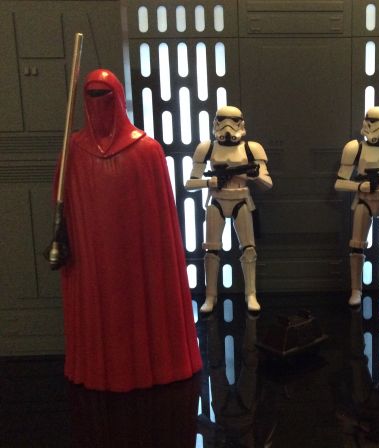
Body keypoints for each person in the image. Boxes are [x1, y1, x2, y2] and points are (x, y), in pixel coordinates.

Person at [56, 69, 202, 392]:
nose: (98, 103)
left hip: (137, 254)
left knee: (140, 307)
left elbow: (160, 220)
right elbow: (65, 204)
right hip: (92, 252)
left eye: (104, 96)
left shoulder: (146, 150)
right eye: (92, 95)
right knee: (100, 307)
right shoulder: (74, 150)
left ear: (119, 98)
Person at [186, 106, 272, 313]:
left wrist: (251, 176)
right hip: (216, 200)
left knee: (249, 249)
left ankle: (250, 294)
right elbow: (190, 183)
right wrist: (210, 182)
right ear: (215, 122)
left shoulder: (252, 148)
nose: (227, 126)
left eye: (233, 121)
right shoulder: (207, 148)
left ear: (241, 123)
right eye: (222, 120)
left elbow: (267, 183)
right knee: (211, 250)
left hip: (241, 200)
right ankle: (210, 295)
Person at [335, 107, 379, 305]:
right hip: (364, 199)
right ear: (367, 123)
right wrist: (360, 186)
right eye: (375, 123)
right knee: (357, 246)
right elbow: (339, 183)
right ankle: (356, 290)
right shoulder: (355, 149)